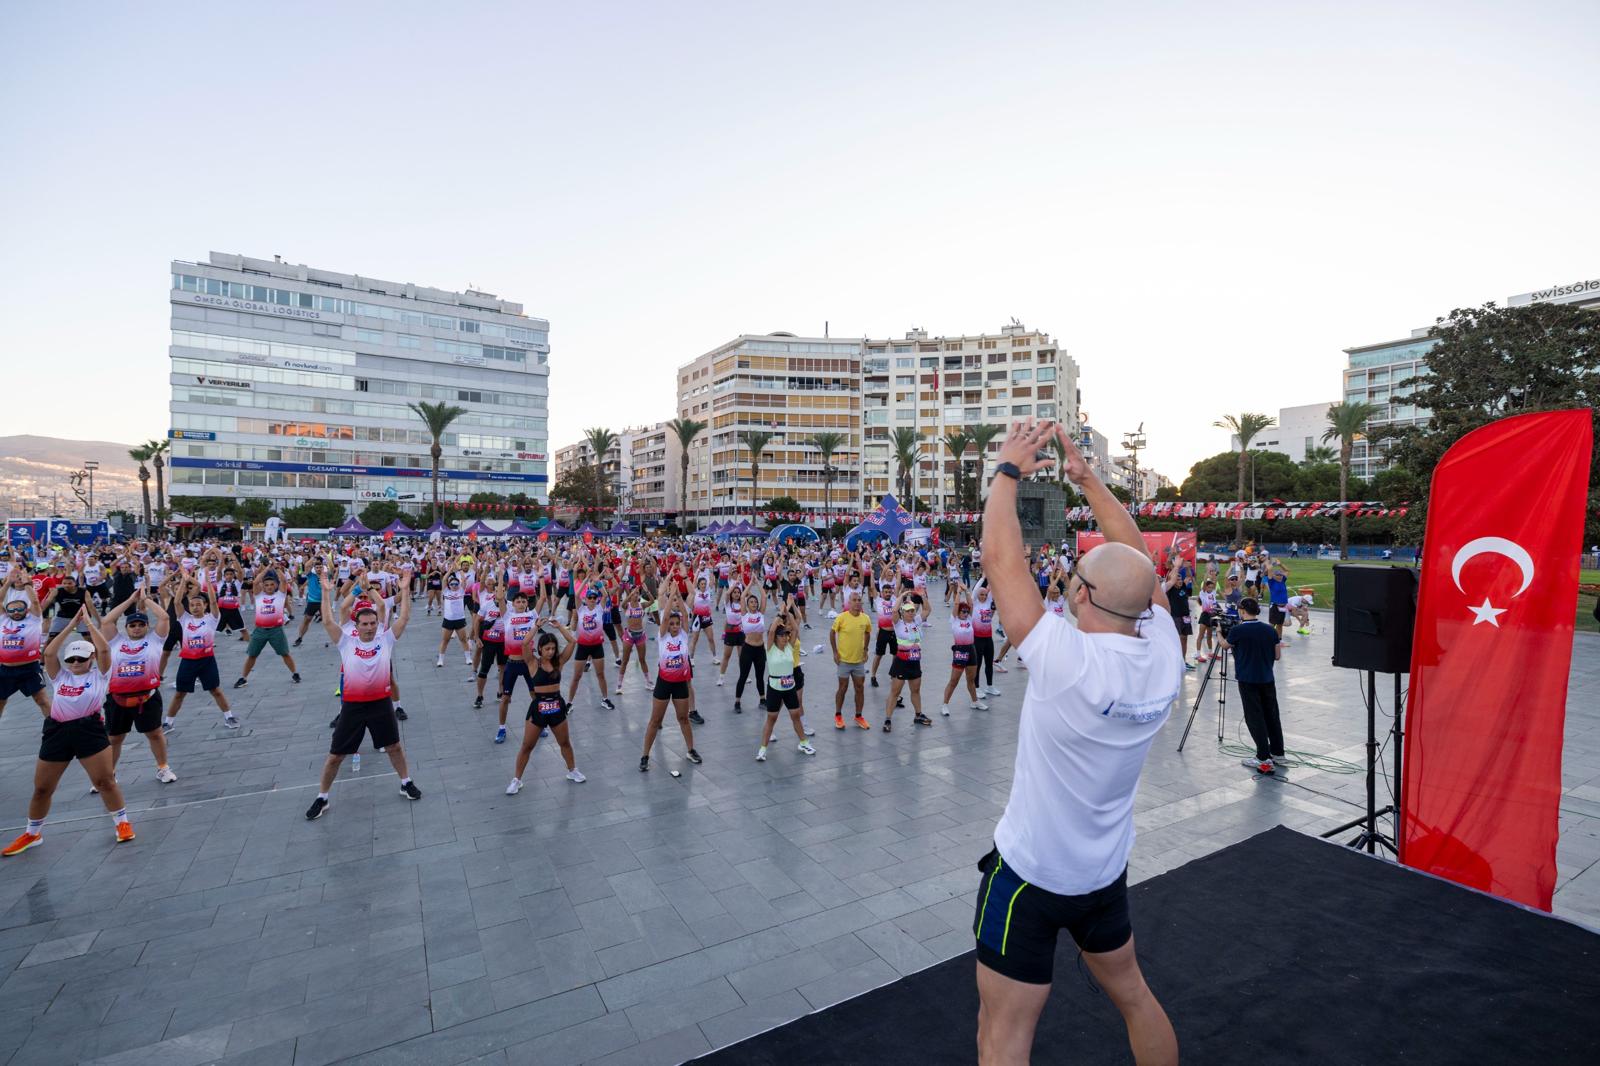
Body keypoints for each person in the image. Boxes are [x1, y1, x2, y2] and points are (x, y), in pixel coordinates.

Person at [973, 419, 1178, 1066]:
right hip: (1101, 875)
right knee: (1135, 997)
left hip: (1030, 875)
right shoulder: (1165, 652)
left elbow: (1001, 562)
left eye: (1076, 573)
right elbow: (1136, 561)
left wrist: (1007, 469)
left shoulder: (1067, 662)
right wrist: (1089, 483)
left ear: (1081, 593)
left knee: (1003, 1032)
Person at [2, 609, 135, 856]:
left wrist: (89, 625)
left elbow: (105, 651)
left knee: (105, 781)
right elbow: (49, 653)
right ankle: (32, 833)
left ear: (91, 658)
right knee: (42, 788)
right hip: (57, 730)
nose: (75, 663)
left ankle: (122, 823)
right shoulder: (60, 676)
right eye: (71, 659)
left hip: (88, 730)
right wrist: (71, 624)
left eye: (80, 659)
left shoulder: (100, 676)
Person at [306, 584, 421, 820]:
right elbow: (327, 620)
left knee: (394, 747)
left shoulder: (386, 640)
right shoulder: (346, 642)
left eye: (372, 623)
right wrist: (326, 592)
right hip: (353, 707)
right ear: (356, 626)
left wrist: (406, 589)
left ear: (378, 624)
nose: (369, 627)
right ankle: (322, 797)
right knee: (336, 756)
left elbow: (404, 617)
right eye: (364, 624)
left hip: (381, 704)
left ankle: (406, 782)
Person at [99, 592, 177, 783]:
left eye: (141, 625)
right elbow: (107, 621)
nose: (136, 628)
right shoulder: (116, 642)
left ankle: (163, 768)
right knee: (115, 738)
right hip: (118, 697)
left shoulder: (155, 640)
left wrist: (146, 599)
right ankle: (109, 774)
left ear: (147, 626)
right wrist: (130, 600)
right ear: (126, 628)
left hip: (147, 697)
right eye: (132, 625)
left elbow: (164, 617)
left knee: (154, 733)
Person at [505, 617, 586, 793]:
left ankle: (572, 770)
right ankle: (516, 780)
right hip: (539, 708)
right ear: (540, 649)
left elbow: (573, 641)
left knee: (564, 742)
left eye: (553, 648)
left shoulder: (559, 662)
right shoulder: (533, 663)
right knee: (527, 746)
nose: (550, 652)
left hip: (557, 706)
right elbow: (524, 644)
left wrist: (559, 627)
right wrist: (535, 627)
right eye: (547, 648)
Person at [639, 586, 702, 772]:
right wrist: (671, 595)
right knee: (655, 720)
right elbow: (665, 616)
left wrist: (678, 597)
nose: (674, 626)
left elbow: (685, 614)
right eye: (672, 624)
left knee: (683, 718)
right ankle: (645, 756)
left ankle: (690, 750)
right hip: (664, 683)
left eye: (677, 624)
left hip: (680, 684)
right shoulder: (662, 637)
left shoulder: (683, 635)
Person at [164, 573, 237, 730]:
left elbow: (213, 601)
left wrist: (209, 584)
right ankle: (168, 722)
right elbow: (176, 601)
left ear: (205, 606)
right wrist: (183, 581)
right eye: (192, 605)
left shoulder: (212, 619)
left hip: (207, 660)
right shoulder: (185, 619)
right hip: (188, 661)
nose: (195, 607)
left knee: (215, 690)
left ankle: (229, 717)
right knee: (180, 693)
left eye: (198, 604)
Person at [1223, 597, 1284, 775]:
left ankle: (1263, 756)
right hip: (1267, 678)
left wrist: (1219, 632)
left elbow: (1225, 646)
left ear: (1242, 611)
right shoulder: (1270, 629)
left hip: (1248, 680)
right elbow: (1277, 656)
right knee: (1272, 715)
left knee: (1254, 717)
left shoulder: (1237, 630)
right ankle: (1278, 752)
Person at [756, 617, 816, 761]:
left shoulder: (790, 647)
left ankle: (804, 743)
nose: (785, 637)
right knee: (771, 718)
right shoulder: (770, 649)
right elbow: (771, 631)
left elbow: (795, 629)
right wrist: (778, 616)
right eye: (782, 635)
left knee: (795, 716)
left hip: (790, 688)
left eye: (786, 635)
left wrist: (788, 614)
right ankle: (762, 750)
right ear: (775, 637)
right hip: (774, 688)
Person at [233, 569, 301, 688]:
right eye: (267, 585)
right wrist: (266, 570)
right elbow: (255, 582)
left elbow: (284, 580)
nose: (269, 587)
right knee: (252, 655)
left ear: (276, 585)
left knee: (285, 653)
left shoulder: (280, 595)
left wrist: (277, 568)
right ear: (263, 587)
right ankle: (243, 678)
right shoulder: (259, 596)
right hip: (260, 630)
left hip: (276, 630)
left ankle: (295, 673)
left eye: (272, 584)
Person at [0, 576, 54, 721]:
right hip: (5, 670)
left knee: (42, 700)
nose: (16, 612)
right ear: (7, 611)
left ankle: (55, 728)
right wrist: (8, 583)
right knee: (1, 702)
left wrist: (27, 584)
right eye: (12, 610)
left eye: (20, 609)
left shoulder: (34, 619)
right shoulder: (3, 620)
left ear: (27, 609)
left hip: (29, 669)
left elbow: (35, 602)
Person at [883, 591, 932, 731]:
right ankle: (888, 719)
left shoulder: (917, 621)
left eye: (912, 610)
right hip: (901, 662)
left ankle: (918, 715)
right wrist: (902, 595)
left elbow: (927, 609)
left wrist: (922, 597)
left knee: (915, 690)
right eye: (908, 611)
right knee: (895, 692)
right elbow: (894, 611)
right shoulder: (898, 623)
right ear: (902, 613)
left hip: (915, 661)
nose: (911, 613)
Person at [942, 583, 987, 715]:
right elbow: (956, 605)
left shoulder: (969, 619)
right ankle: (945, 704)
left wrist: (967, 591)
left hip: (971, 649)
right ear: (958, 612)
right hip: (960, 651)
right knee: (954, 681)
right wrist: (959, 592)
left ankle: (975, 701)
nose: (966, 613)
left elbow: (971, 604)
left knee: (971, 679)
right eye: (963, 611)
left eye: (967, 611)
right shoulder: (954, 620)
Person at [829, 590, 872, 730]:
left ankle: (859, 716)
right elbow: (832, 633)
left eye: (859, 600)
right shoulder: (841, 618)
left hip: (859, 661)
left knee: (860, 688)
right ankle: (838, 715)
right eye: (854, 600)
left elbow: (867, 633)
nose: (857, 602)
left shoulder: (865, 618)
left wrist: (865, 650)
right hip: (844, 660)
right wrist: (835, 652)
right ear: (849, 602)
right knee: (843, 688)